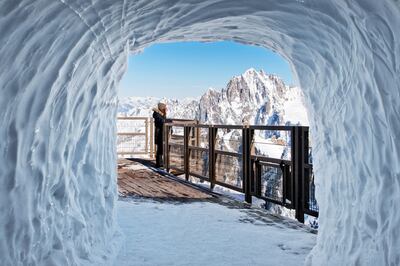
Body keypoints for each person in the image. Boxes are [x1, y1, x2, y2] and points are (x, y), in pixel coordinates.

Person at [153, 102, 167, 167]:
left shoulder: (160, 114)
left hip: (161, 134)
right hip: (159, 134)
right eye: (164, 108)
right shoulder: (157, 115)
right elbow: (162, 122)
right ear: (162, 108)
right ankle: (159, 164)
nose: (166, 109)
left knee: (161, 148)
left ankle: (161, 163)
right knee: (160, 149)